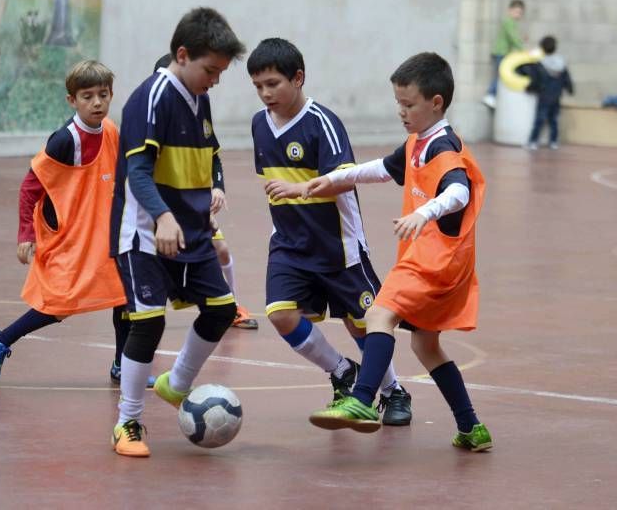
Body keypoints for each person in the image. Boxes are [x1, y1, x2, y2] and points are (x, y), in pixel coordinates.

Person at [306, 52, 493, 452]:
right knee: (425, 346)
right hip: (447, 264)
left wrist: (425, 213)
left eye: (408, 104)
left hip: (434, 259)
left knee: (378, 313)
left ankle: (360, 400)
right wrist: (334, 179)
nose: (401, 112)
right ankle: (471, 428)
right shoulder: (418, 143)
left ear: (436, 102)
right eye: (398, 103)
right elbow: (381, 168)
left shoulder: (444, 147)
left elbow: (458, 191)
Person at [246, 38, 412, 426]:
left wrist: (301, 188)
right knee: (280, 313)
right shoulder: (259, 125)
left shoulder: (322, 122)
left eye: (273, 83)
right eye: (258, 86)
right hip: (289, 245)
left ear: (298, 78)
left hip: (337, 247)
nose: (265, 93)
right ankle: (342, 372)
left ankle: (394, 391)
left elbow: (343, 178)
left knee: (363, 325)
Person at [109, 7, 245, 457]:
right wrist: (164, 216)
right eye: (211, 70)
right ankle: (128, 423)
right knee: (147, 321)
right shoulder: (151, 98)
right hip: (145, 235)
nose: (215, 81)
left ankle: (177, 383)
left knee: (222, 310)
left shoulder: (198, 97)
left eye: (221, 73)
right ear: (182, 55)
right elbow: (138, 171)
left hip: (192, 234)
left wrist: (206, 202)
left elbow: (203, 161)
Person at [0, 60, 131, 387]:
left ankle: (123, 365)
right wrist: (25, 234)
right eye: (87, 96)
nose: (96, 103)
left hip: (102, 232)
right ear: (71, 101)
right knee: (60, 305)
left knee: (125, 296)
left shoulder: (112, 131)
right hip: (70, 236)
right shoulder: (65, 140)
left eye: (103, 95)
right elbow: (29, 188)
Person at [154, 53, 258, 330]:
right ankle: (141, 326)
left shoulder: (199, 117)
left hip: (194, 207)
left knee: (221, 249)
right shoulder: (154, 121)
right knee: (158, 268)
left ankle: (232, 305)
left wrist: (219, 188)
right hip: (163, 212)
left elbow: (214, 156)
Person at [526, 36, 574, 151]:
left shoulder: (540, 64)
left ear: (542, 48)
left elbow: (536, 79)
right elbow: (566, 78)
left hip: (544, 95)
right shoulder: (561, 63)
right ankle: (553, 141)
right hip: (556, 95)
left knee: (539, 119)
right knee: (554, 120)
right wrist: (570, 88)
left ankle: (533, 141)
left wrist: (529, 88)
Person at [482, 0, 525, 109]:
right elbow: (513, 38)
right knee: (501, 76)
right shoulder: (508, 22)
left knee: (502, 75)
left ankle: (492, 95)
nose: (518, 15)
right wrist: (522, 49)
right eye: (516, 12)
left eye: (520, 13)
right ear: (510, 10)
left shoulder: (511, 22)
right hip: (501, 52)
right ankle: (490, 94)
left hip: (503, 52)